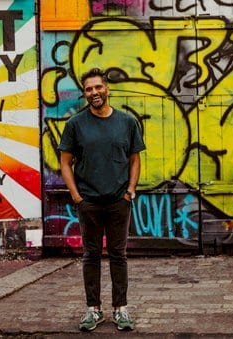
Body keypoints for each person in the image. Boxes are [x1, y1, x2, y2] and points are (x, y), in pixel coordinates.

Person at [58, 68, 146, 332]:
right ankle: (93, 310)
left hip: (119, 200)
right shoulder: (76, 124)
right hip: (89, 202)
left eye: (98, 87)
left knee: (119, 255)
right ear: (84, 93)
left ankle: (121, 310)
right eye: (88, 89)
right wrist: (77, 196)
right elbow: (65, 162)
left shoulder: (127, 122)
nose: (94, 93)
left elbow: (135, 158)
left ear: (107, 89)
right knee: (91, 255)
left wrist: (130, 190)